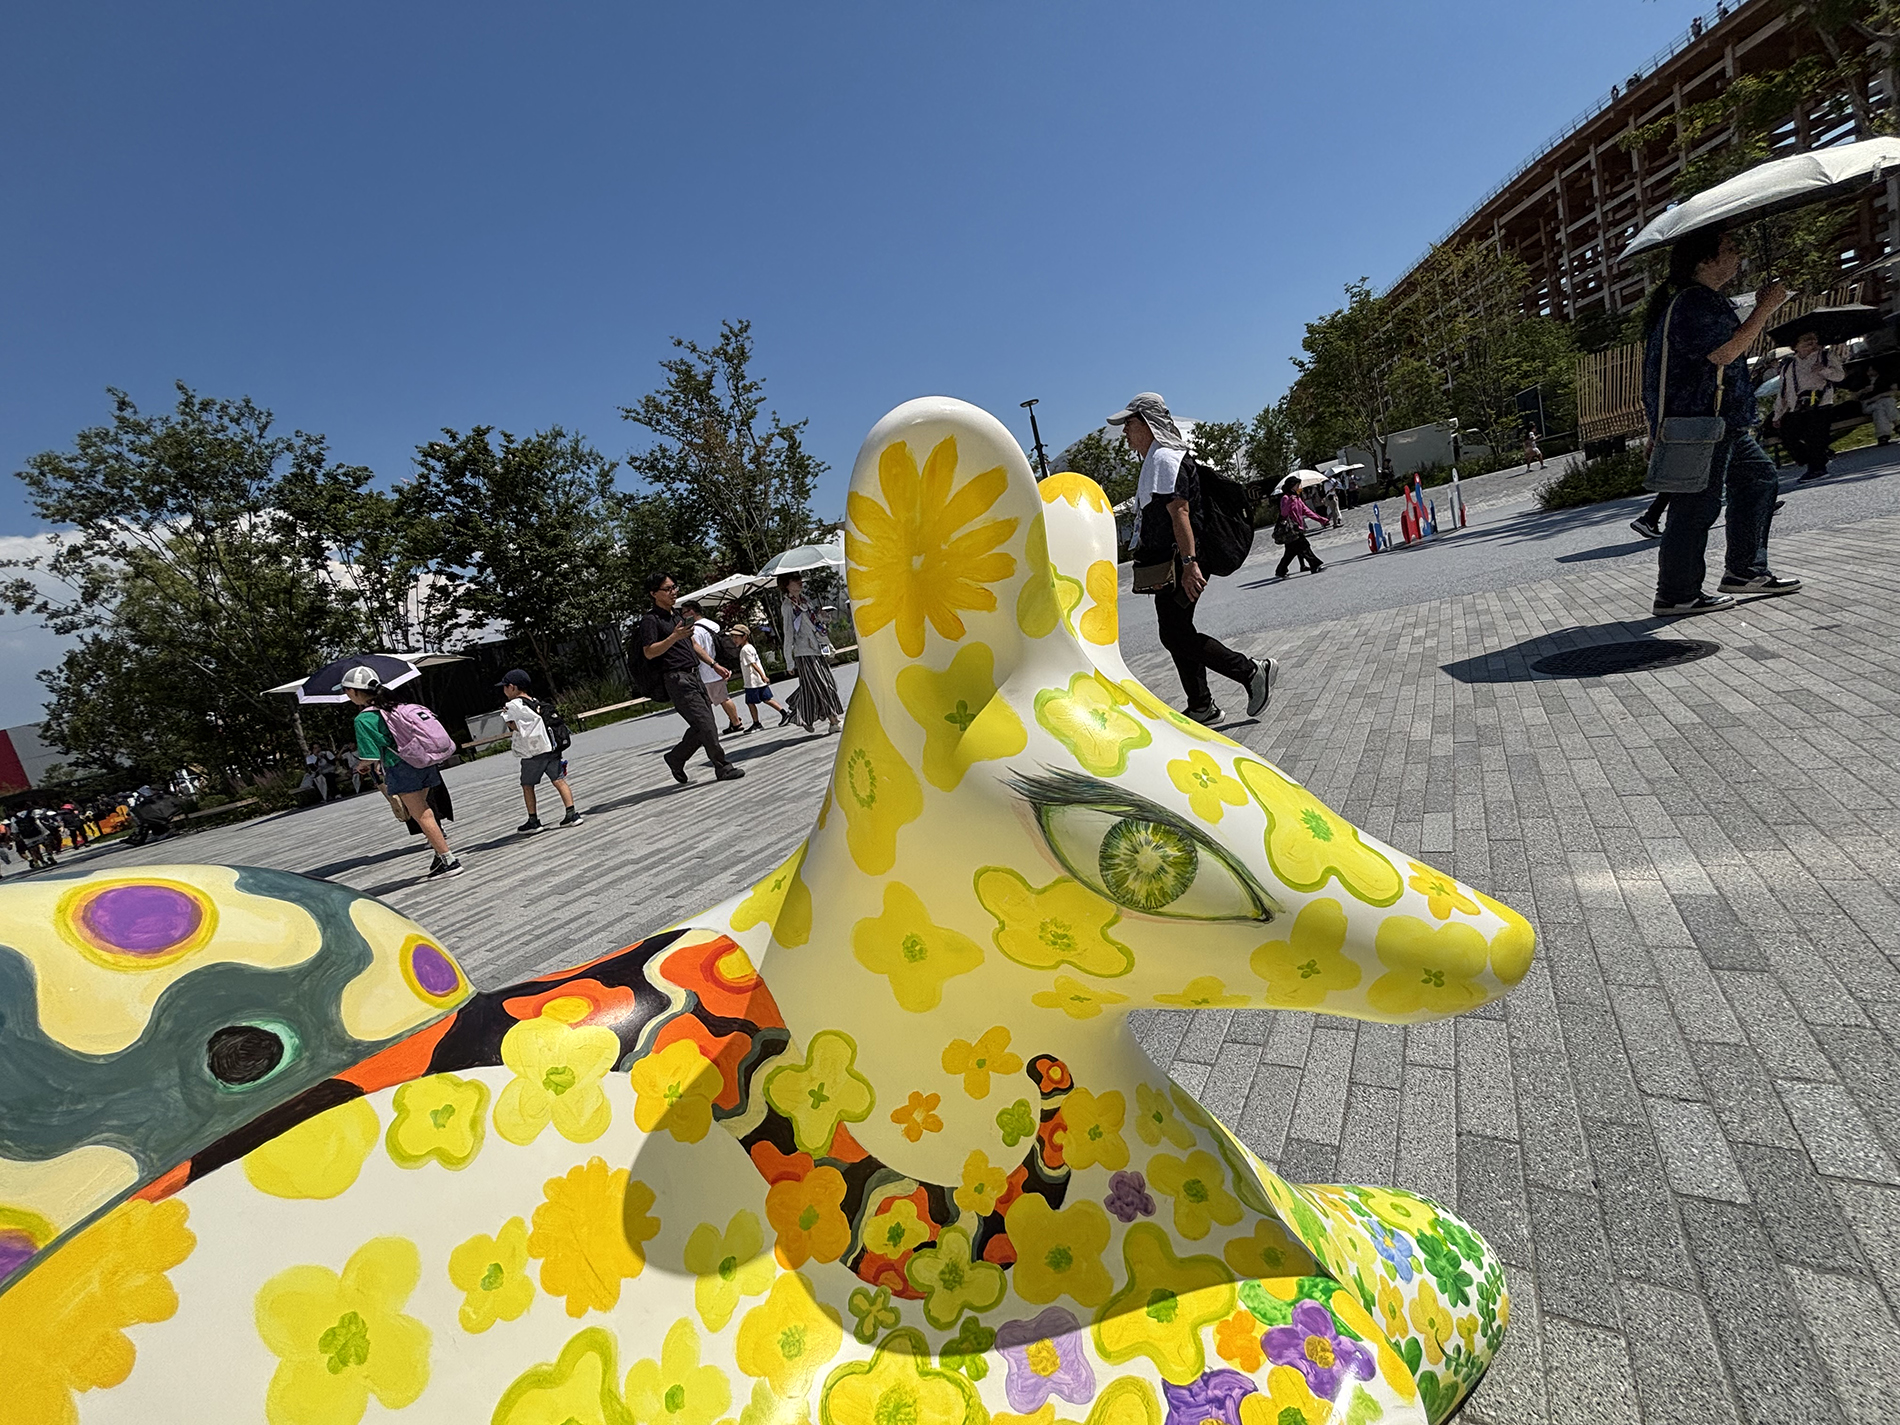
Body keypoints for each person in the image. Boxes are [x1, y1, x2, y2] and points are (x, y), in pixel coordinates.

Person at [1641, 224, 1800, 617]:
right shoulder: (1695, 301)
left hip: (1719, 421)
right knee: (1696, 506)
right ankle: (1676, 594)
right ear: (1704, 261)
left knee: (1759, 478)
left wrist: (1654, 427)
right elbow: (1723, 353)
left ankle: (1745, 571)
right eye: (1728, 248)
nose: (1737, 254)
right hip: (1703, 421)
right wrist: (1766, 307)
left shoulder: (1697, 301)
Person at [1109, 392, 1277, 725]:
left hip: (1180, 563)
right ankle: (1201, 705)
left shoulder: (1165, 459)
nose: (1124, 431)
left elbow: (1180, 512)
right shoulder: (1157, 459)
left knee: (1174, 633)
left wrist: (1189, 564)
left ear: (1148, 423)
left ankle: (1249, 671)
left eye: (1129, 423)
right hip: (1171, 564)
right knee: (1177, 631)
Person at [338, 664, 464, 878]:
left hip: (401, 767)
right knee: (425, 809)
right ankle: (439, 855)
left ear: (354, 691)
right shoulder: (396, 706)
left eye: (346, 691)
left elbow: (370, 757)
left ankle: (449, 860)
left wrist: (360, 767)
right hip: (425, 761)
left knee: (421, 814)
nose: (347, 695)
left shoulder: (364, 719)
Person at [638, 572, 744, 783]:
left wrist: (714, 664)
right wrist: (674, 636)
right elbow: (649, 652)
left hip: (695, 676)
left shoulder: (677, 616)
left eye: (674, 587)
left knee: (702, 725)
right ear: (653, 593)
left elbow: (693, 644)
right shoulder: (651, 621)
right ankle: (723, 767)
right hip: (677, 679)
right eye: (667, 589)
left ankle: (676, 758)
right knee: (706, 724)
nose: (673, 592)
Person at [498, 668, 582, 833]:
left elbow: (516, 727)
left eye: (505, 686)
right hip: (552, 748)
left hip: (534, 752)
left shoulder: (513, 705)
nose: (504, 690)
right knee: (559, 780)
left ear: (512, 687)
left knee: (527, 784)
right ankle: (572, 814)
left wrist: (508, 722)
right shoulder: (535, 702)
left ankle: (533, 820)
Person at [1770, 328, 1847, 481]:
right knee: (1788, 436)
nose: (1812, 343)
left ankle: (1817, 468)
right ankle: (1816, 458)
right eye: (1806, 340)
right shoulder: (1789, 365)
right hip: (1798, 407)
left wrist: (1824, 370)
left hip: (1821, 404)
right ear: (1796, 346)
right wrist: (1778, 414)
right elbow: (1784, 391)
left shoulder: (1825, 356)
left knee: (1815, 437)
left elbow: (1840, 376)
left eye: (1814, 339)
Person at [779, 572, 844, 734]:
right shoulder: (788, 606)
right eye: (795, 580)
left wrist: (824, 617)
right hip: (804, 652)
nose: (800, 582)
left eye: (799, 579)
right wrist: (789, 661)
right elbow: (788, 633)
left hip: (818, 648)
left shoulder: (805, 601)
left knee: (818, 685)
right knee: (823, 685)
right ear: (787, 584)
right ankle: (834, 721)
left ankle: (800, 714)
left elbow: (815, 623)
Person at [682, 600, 747, 735]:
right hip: (720, 665)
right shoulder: (712, 624)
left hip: (707, 671)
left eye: (684, 613)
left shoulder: (695, 630)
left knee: (717, 700)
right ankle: (733, 722)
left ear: (691, 612)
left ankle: (735, 723)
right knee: (720, 697)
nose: (682, 616)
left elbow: (698, 650)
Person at [732, 624, 790, 729]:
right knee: (767, 699)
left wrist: (763, 676)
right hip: (757, 680)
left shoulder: (745, 650)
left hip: (753, 681)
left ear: (744, 637)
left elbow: (753, 664)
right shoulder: (750, 647)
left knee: (750, 702)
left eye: (736, 637)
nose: (734, 640)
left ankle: (756, 723)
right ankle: (784, 713)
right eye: (733, 637)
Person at [1273, 476, 1326, 579]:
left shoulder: (1297, 498)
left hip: (1298, 528)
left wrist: (1321, 519)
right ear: (1292, 486)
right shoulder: (1285, 498)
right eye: (1297, 485)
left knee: (1290, 552)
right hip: (1291, 529)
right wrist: (1289, 501)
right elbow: (1283, 513)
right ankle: (1315, 565)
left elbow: (1306, 511)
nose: (1299, 486)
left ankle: (1280, 571)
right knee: (1304, 546)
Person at [1858, 357, 1900, 446]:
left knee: (1879, 410)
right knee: (1886, 402)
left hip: (1879, 404)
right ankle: (1897, 423)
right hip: (1868, 404)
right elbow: (1855, 397)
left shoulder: (1884, 380)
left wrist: (1879, 396)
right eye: (1868, 370)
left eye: (1872, 370)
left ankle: (1883, 436)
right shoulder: (1862, 381)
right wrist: (1863, 391)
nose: (1870, 372)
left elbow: (1893, 391)